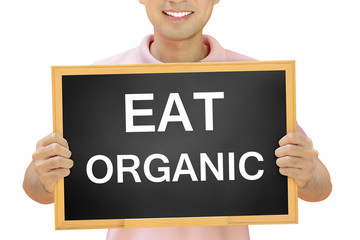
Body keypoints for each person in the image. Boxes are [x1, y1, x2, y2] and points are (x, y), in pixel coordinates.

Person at [23, 0, 332, 239]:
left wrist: (305, 171)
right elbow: (38, 187)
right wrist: (45, 173)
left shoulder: (254, 79)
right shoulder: (100, 80)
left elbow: (320, 186)